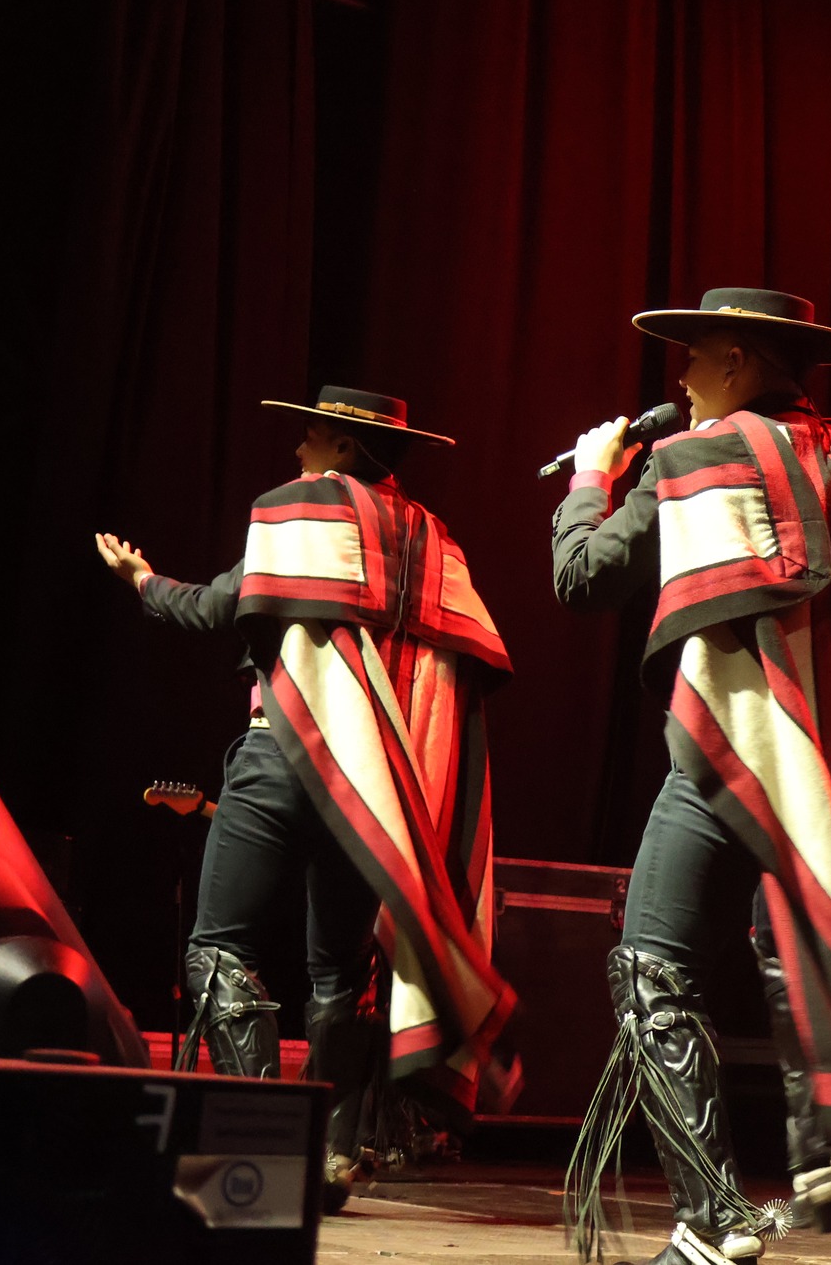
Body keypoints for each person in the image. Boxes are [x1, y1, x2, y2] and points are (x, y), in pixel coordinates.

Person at [552, 289, 831, 1265]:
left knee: (652, 960)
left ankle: (709, 1220)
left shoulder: (699, 462)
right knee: (787, 939)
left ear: (739, 364)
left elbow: (581, 576)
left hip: (733, 745)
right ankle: (816, 1144)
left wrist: (589, 479)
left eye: (696, 360)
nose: (682, 381)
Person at [95, 385, 516, 1212]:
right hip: (379, 782)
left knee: (217, 948)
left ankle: (264, 1142)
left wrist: (143, 581)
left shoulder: (299, 514)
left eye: (311, 437)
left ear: (345, 447)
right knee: (341, 973)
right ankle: (331, 1154)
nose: (298, 453)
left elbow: (220, 608)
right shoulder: (439, 543)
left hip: (285, 753)